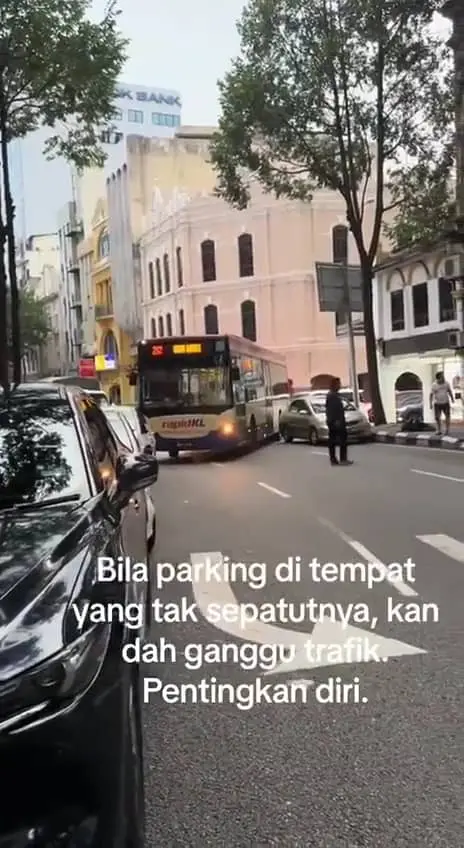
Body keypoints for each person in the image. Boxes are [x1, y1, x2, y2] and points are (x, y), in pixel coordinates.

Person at [325, 377, 352, 466]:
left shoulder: (334, 395)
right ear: (334, 385)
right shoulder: (332, 396)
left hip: (335, 420)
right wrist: (336, 420)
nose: (340, 385)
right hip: (336, 421)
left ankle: (335, 459)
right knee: (340, 440)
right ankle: (341, 459)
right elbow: (332, 410)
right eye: (338, 384)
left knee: (334, 440)